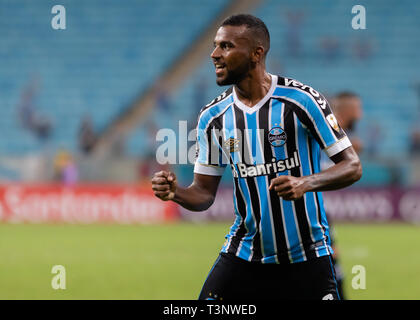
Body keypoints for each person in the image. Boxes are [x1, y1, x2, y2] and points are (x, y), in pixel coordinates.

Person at [151, 14, 362, 300]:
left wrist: (305, 183)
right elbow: (203, 193)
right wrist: (176, 192)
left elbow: (352, 166)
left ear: (256, 53)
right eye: (215, 46)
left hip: (308, 256)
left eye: (226, 46)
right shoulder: (213, 117)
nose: (214, 55)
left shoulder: (302, 101)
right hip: (244, 255)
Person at [322, 91, 363, 299]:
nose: (360, 115)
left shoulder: (340, 137)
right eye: (358, 109)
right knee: (330, 266)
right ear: (347, 110)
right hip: (311, 206)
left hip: (318, 206)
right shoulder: (325, 128)